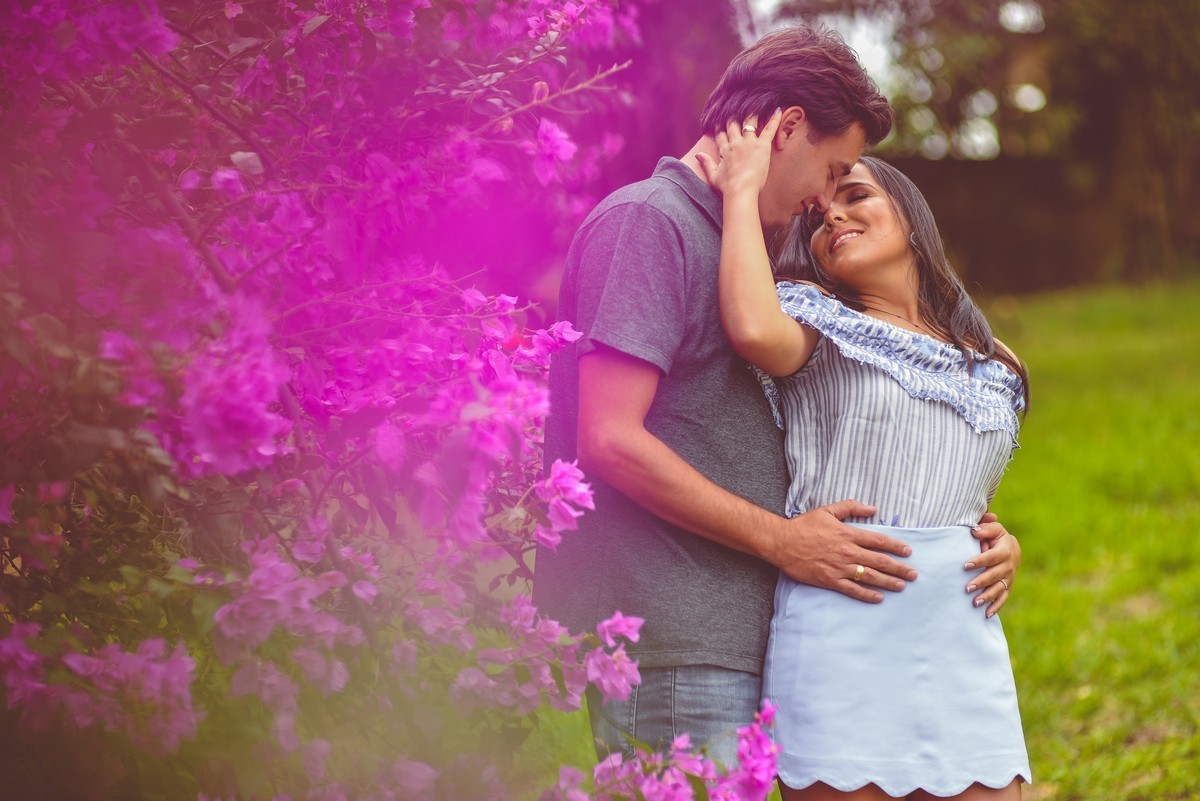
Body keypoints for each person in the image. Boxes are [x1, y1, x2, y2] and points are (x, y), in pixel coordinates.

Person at [532, 24, 1023, 768]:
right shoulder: (649, 223)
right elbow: (609, 438)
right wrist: (782, 539)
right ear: (786, 129)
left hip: (738, 636)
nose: (824, 201)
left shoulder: (731, 248)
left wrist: (966, 530)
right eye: (835, 170)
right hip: (671, 640)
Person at [698, 109, 1032, 798]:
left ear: (912, 218)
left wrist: (1005, 540)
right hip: (843, 619)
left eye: (857, 196)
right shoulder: (814, 323)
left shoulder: (995, 363)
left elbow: (949, 476)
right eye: (820, 217)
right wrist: (742, 189)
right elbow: (752, 328)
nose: (834, 218)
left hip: (960, 630)